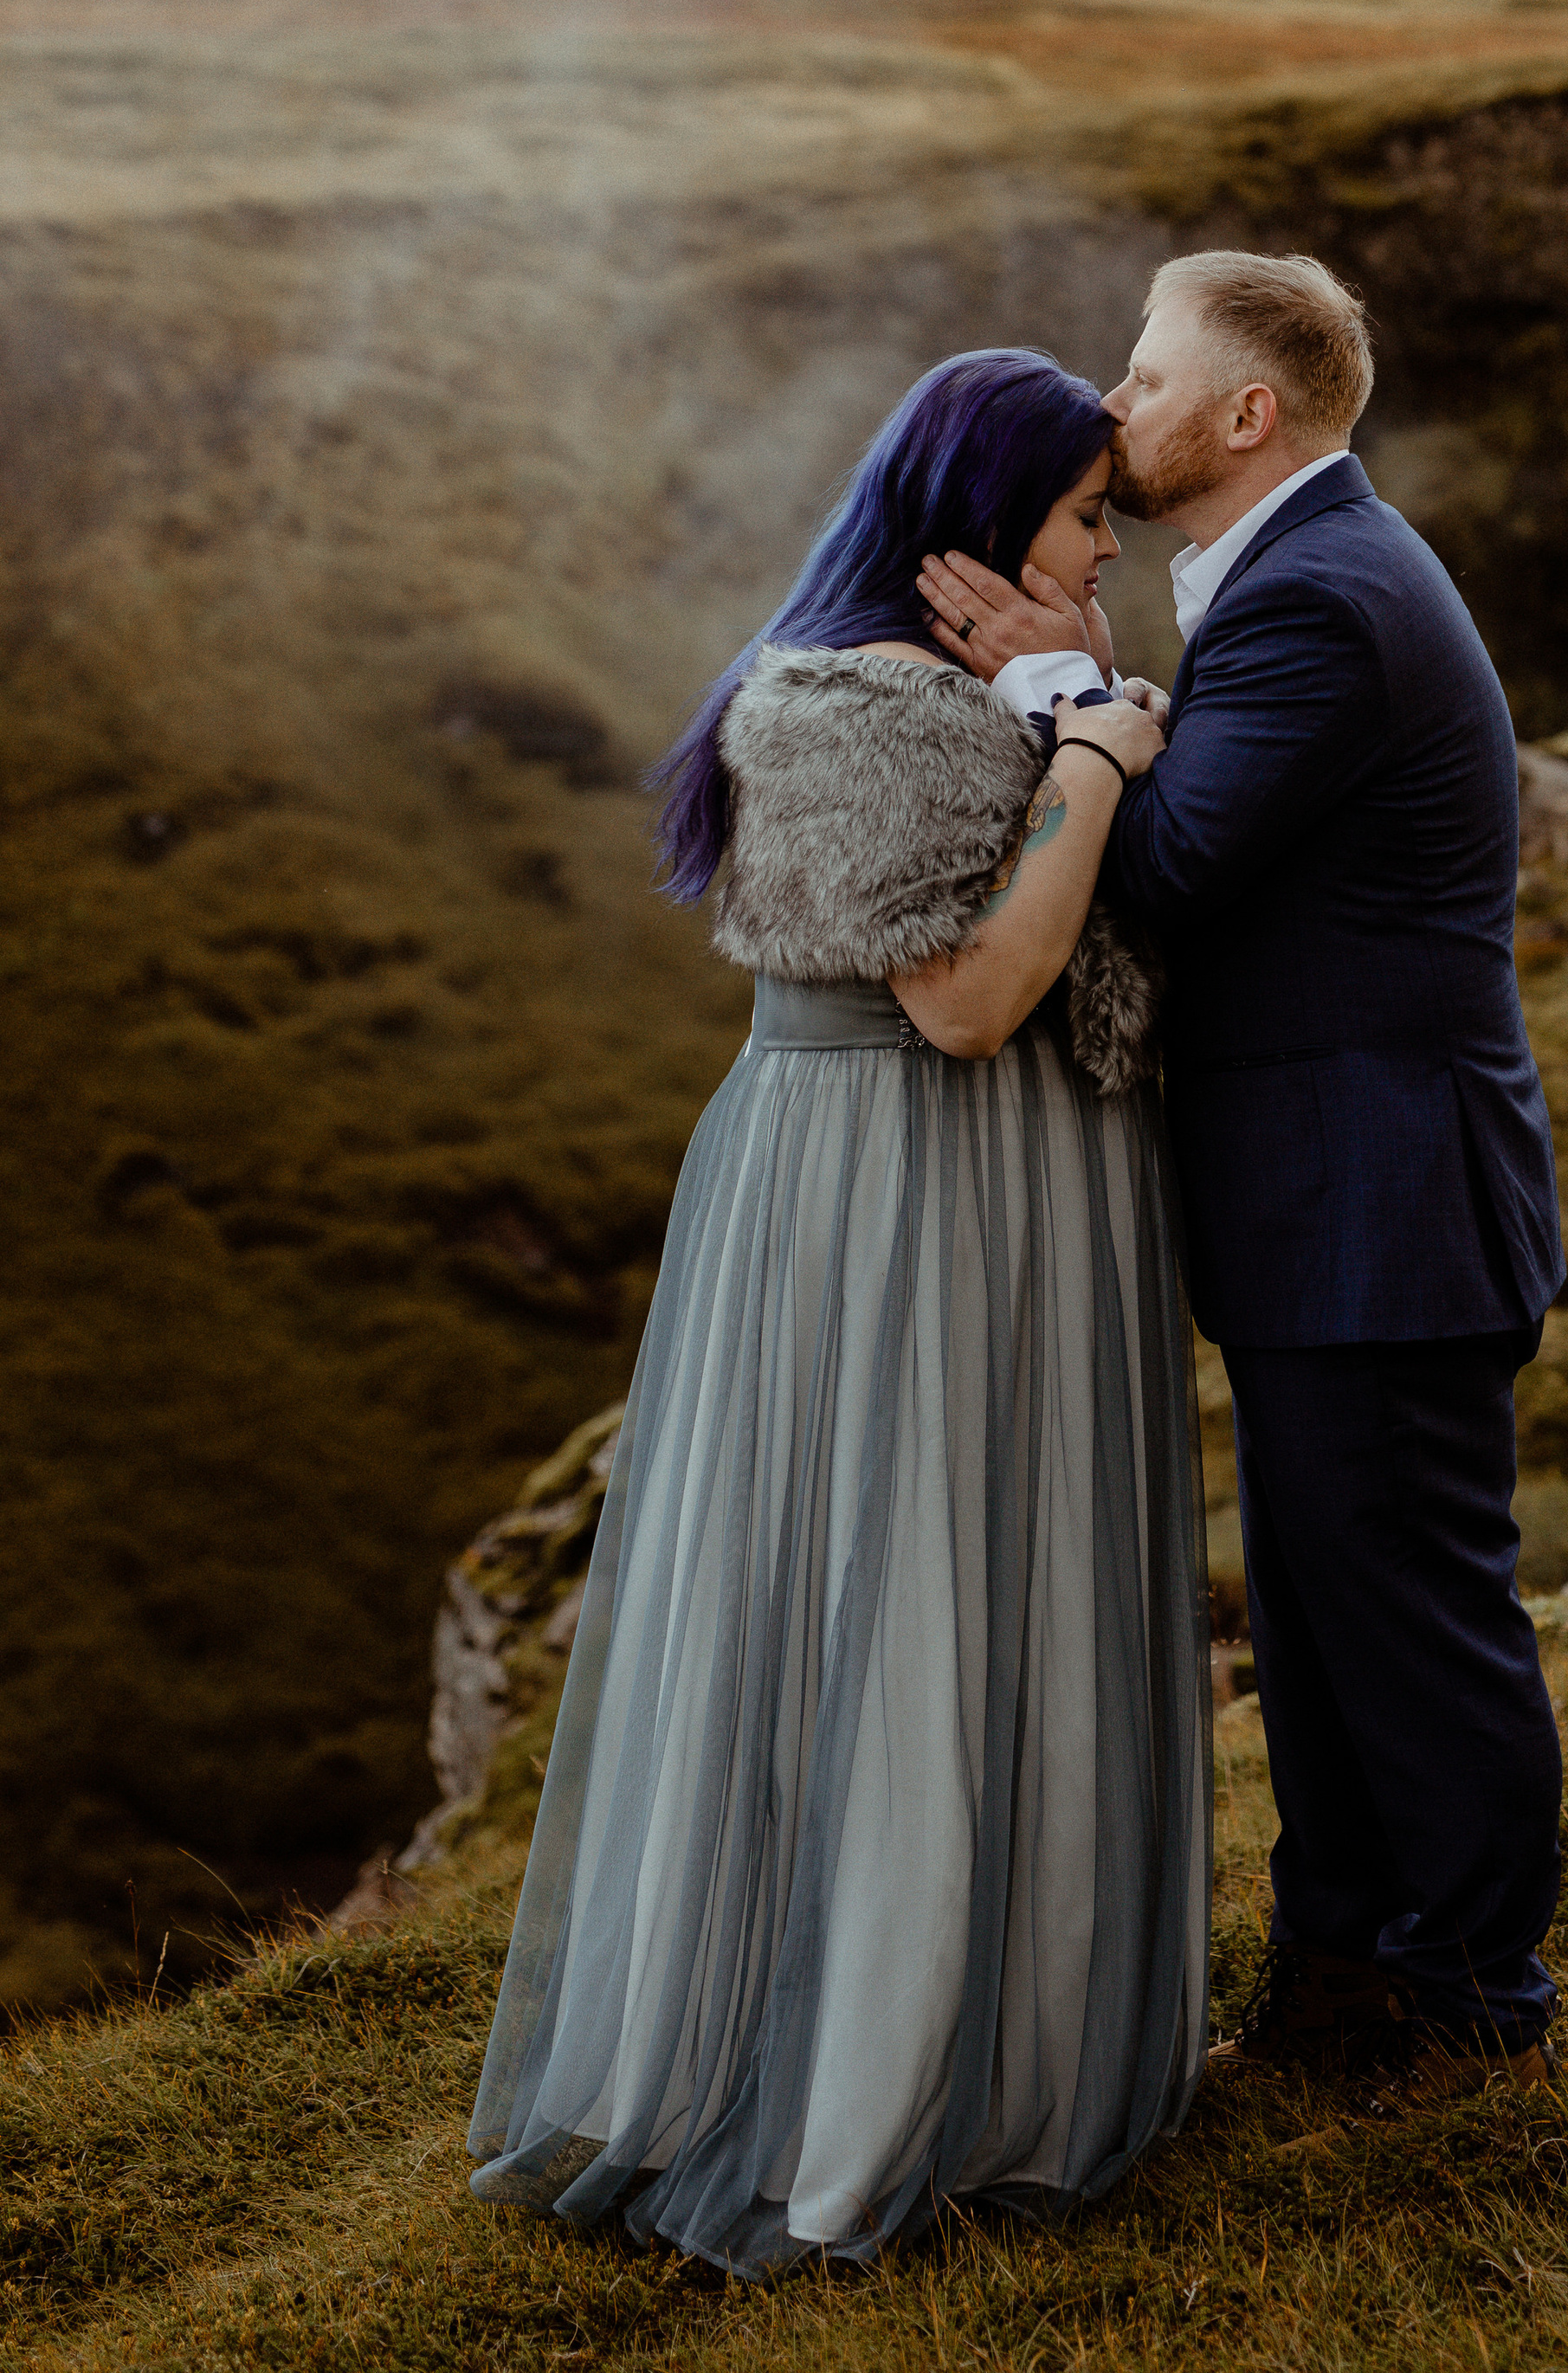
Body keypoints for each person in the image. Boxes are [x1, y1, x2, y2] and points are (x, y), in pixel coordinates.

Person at [467, 350, 1211, 2274]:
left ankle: (998, 2036)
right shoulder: (832, 707)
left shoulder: (995, 685)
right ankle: (858, 2079)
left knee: (974, 1591)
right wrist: (1087, 749)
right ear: (967, 529)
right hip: (901, 1194)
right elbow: (964, 1000)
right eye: (1074, 523)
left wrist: (1066, 709)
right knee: (893, 1605)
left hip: (1000, 1192)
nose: (1095, 570)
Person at [919, 253, 1566, 2091]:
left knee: (1409, 1613)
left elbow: (1175, 869)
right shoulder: (1298, 576)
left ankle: (1470, 2002)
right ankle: (1346, 1981)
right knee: (1324, 1604)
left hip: (1381, 1201)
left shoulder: (1317, 599)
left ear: (1244, 416)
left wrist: (1059, 690)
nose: (1113, 409)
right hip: (1339, 1203)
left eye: (1142, 377)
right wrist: (1106, 697)